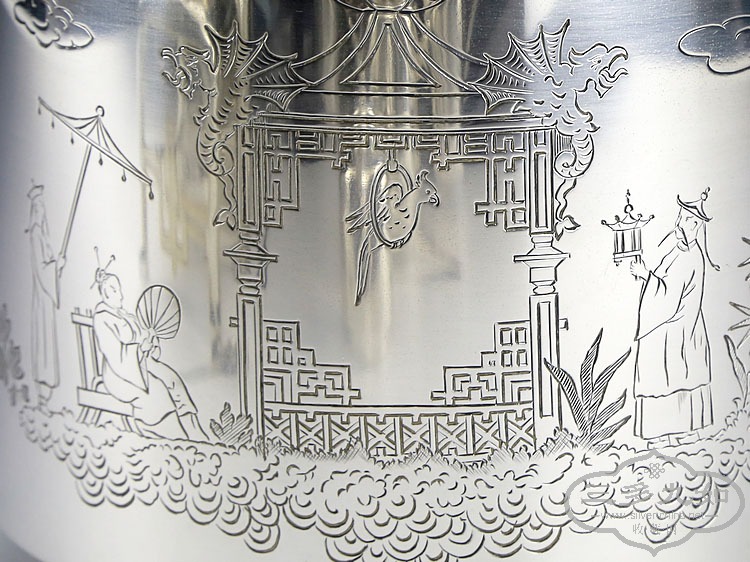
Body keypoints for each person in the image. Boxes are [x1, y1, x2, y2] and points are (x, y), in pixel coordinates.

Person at [629, 188, 719, 447]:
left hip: (675, 330)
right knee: (677, 376)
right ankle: (677, 432)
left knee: (670, 377)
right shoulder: (682, 252)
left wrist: (646, 275)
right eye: (681, 217)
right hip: (679, 328)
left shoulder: (690, 256)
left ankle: (672, 432)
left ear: (698, 225)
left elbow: (668, 296)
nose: (681, 223)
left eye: (689, 220)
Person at [92, 265, 208, 441]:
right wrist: (140, 349)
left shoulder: (125, 316)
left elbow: (143, 344)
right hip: (120, 375)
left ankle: (195, 433)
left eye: (119, 289)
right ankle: (175, 435)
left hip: (140, 366)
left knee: (172, 379)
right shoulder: (102, 318)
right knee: (158, 388)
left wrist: (151, 342)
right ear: (105, 294)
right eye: (114, 290)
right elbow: (116, 356)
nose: (120, 294)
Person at [28, 184, 64, 411]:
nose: (42, 209)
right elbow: (41, 270)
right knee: (43, 344)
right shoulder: (35, 234)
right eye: (39, 205)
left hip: (47, 301)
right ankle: (42, 399)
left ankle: (47, 399)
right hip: (42, 299)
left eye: (43, 205)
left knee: (48, 343)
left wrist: (57, 266)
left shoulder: (43, 235)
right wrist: (55, 267)